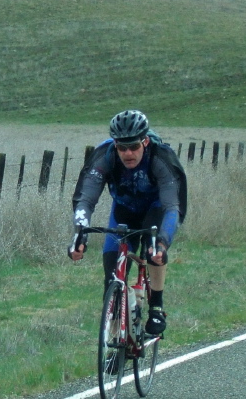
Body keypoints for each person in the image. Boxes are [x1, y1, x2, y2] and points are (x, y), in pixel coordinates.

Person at [68, 109, 184, 335]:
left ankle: (157, 307)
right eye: (122, 148)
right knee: (111, 273)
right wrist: (79, 233)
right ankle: (113, 341)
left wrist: (162, 242)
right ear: (115, 144)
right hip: (124, 210)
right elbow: (85, 199)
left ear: (145, 142)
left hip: (156, 209)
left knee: (153, 252)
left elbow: (172, 207)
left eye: (134, 147)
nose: (128, 153)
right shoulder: (105, 156)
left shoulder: (160, 157)